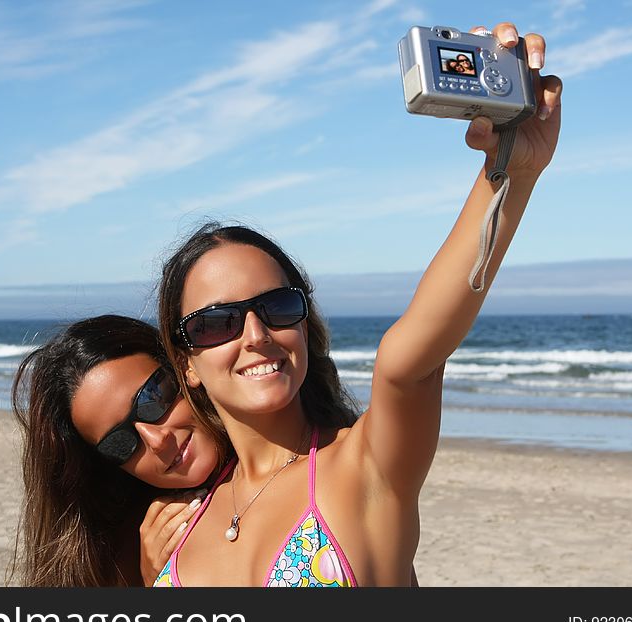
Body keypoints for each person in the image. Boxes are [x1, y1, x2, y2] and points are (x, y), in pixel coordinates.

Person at [152, 22, 561, 586]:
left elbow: (410, 361)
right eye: (216, 322)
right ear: (186, 365)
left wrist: (510, 175)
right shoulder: (174, 533)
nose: (255, 334)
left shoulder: (365, 471)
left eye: (277, 306)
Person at [7, 315, 230, 586]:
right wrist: (153, 580)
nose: (157, 440)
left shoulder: (290, 455)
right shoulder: (122, 551)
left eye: (152, 399)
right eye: (119, 442)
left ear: (182, 368)